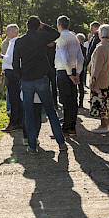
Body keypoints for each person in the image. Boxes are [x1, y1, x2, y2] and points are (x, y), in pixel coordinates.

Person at [12, 16, 67, 154]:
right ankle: (61, 143)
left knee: (29, 114)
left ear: (26, 25)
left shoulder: (19, 41)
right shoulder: (41, 37)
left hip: (26, 80)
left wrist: (20, 77)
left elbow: (15, 63)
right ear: (38, 26)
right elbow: (56, 33)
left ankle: (32, 146)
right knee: (50, 111)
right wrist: (44, 25)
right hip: (41, 78)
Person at [55, 15, 85, 136]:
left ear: (59, 25)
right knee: (73, 99)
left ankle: (66, 128)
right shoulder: (74, 38)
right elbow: (81, 58)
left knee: (65, 101)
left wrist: (69, 75)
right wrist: (77, 72)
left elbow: (65, 58)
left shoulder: (61, 38)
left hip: (64, 71)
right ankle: (72, 126)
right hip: (73, 70)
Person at [87, 23, 109, 134]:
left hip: (100, 78)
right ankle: (106, 123)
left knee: (100, 102)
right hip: (107, 76)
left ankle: (104, 124)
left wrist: (93, 79)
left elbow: (96, 66)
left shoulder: (101, 47)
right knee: (105, 101)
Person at [0, 24, 23, 132]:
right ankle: (19, 121)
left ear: (13, 32)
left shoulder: (14, 42)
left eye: (8, 31)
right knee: (16, 98)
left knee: (14, 98)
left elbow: (12, 59)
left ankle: (14, 122)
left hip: (12, 72)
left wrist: (1, 56)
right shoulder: (14, 42)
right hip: (13, 72)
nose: (6, 33)